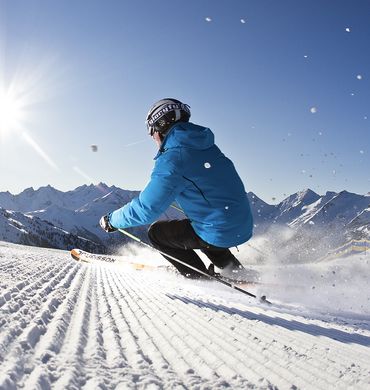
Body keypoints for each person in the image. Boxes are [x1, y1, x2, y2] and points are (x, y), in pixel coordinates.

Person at [99, 98, 254, 280]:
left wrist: (112, 221)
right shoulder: (208, 147)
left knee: (156, 233)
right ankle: (235, 271)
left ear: (160, 127)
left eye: (151, 131)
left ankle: (198, 276)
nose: (152, 137)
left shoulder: (173, 159)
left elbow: (146, 210)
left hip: (219, 230)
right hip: (241, 225)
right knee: (200, 227)